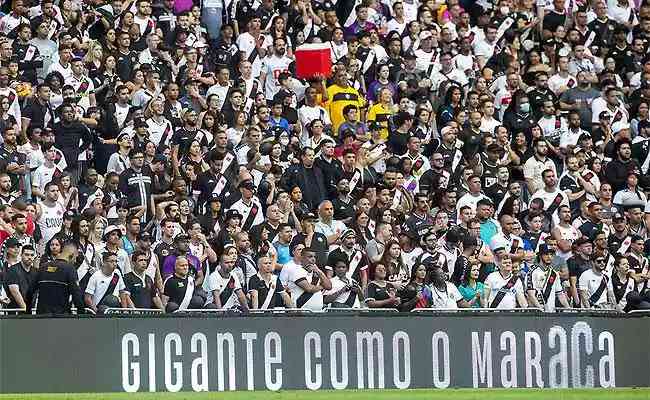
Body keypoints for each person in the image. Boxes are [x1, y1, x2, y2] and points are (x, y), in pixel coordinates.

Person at [27, 241, 85, 314]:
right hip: (60, 318)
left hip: (42, 316)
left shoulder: (43, 267)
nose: (75, 261)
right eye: (75, 258)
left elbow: (30, 292)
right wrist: (82, 316)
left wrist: (28, 312)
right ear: (71, 255)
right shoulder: (70, 269)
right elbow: (77, 296)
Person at [3, 244, 37, 311]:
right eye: (26, 255)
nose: (29, 257)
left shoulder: (36, 272)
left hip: (31, 311)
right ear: (21, 255)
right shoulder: (13, 270)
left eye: (32, 255)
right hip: (15, 311)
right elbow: (14, 291)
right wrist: (25, 309)